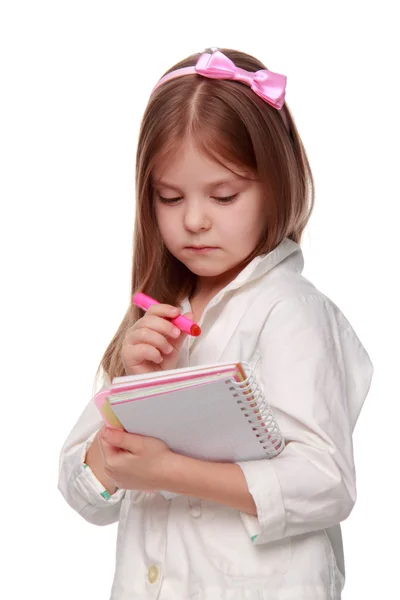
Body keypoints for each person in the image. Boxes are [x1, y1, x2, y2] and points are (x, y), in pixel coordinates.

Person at [58, 47, 373, 600]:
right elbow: (84, 490)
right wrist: (131, 389)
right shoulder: (158, 317)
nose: (195, 220)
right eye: (170, 197)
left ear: (277, 185)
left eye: (224, 195)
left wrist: (168, 471)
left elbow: (326, 484)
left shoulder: (291, 312)